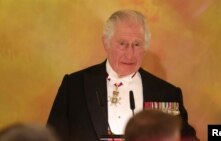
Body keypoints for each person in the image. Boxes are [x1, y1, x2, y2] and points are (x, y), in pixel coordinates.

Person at [47, 9, 198, 141]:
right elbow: (51, 137)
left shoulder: (166, 93)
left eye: (137, 44)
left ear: (144, 47)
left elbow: (184, 138)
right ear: (106, 43)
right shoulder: (74, 86)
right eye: (122, 44)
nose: (130, 54)